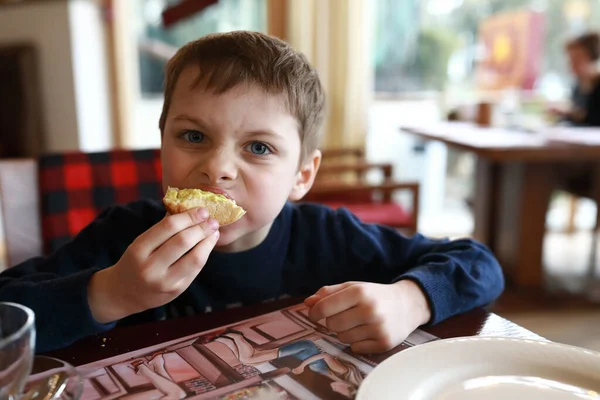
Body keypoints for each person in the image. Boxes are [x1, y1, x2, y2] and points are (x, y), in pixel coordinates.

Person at [0, 31, 504, 355]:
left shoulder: (326, 236)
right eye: (193, 136)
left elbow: (479, 263)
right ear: (162, 145)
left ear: (302, 175)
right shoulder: (122, 236)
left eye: (258, 147)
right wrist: (107, 293)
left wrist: (409, 300)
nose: (216, 170)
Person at [212, 330, 363, 398]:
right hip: (304, 347)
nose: (336, 390)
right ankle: (237, 337)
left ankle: (227, 340)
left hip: (298, 352)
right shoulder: (342, 372)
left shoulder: (331, 376)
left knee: (252, 358)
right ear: (349, 388)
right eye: (342, 394)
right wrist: (302, 366)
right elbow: (324, 355)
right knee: (249, 358)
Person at [549, 31, 600, 126]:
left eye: (577, 59)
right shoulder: (578, 86)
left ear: (591, 57)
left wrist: (570, 114)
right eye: (570, 59)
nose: (571, 64)